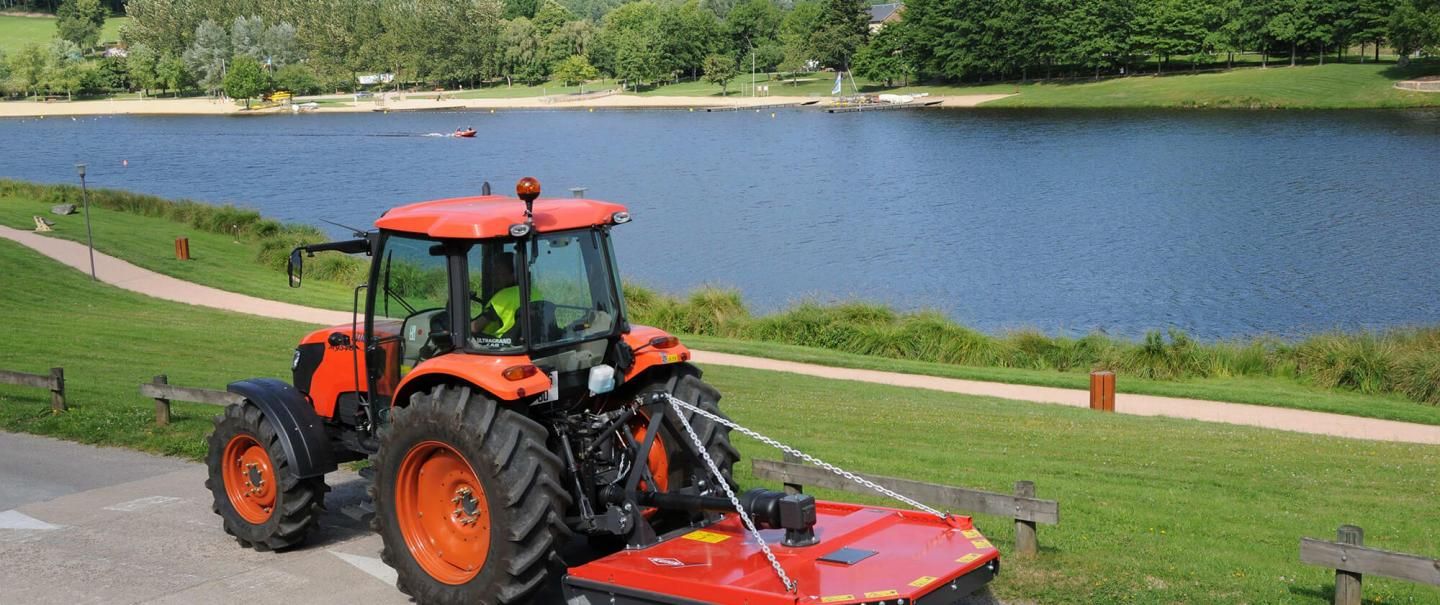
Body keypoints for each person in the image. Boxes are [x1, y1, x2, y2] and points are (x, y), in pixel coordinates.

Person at [471, 252, 523, 340]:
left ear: (513, 275)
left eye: (499, 273)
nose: (494, 277)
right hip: (521, 341)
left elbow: (475, 328)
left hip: (503, 346)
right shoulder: (533, 291)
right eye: (493, 273)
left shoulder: (502, 297)